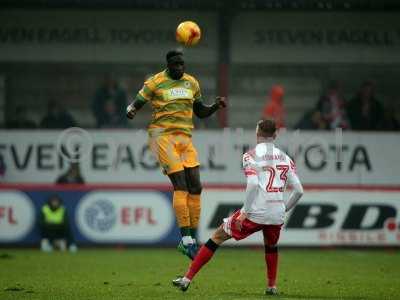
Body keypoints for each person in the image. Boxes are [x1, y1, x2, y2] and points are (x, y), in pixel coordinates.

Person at [172, 118, 304, 295]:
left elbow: (253, 184)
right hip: (276, 213)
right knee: (271, 246)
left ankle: (186, 279)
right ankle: (271, 286)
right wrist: (284, 208)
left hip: (255, 211)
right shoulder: (286, 158)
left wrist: (245, 212)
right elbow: (299, 191)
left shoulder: (250, 155)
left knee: (217, 237)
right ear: (275, 135)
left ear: (257, 134)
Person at [126, 49, 226, 259]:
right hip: (161, 136)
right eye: (175, 66)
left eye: (182, 65)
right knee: (180, 184)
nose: (179, 68)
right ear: (168, 66)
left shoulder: (192, 83)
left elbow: (200, 111)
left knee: (196, 186)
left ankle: (192, 238)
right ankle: (186, 240)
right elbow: (135, 104)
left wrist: (216, 106)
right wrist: (132, 110)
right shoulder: (155, 82)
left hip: (185, 138)